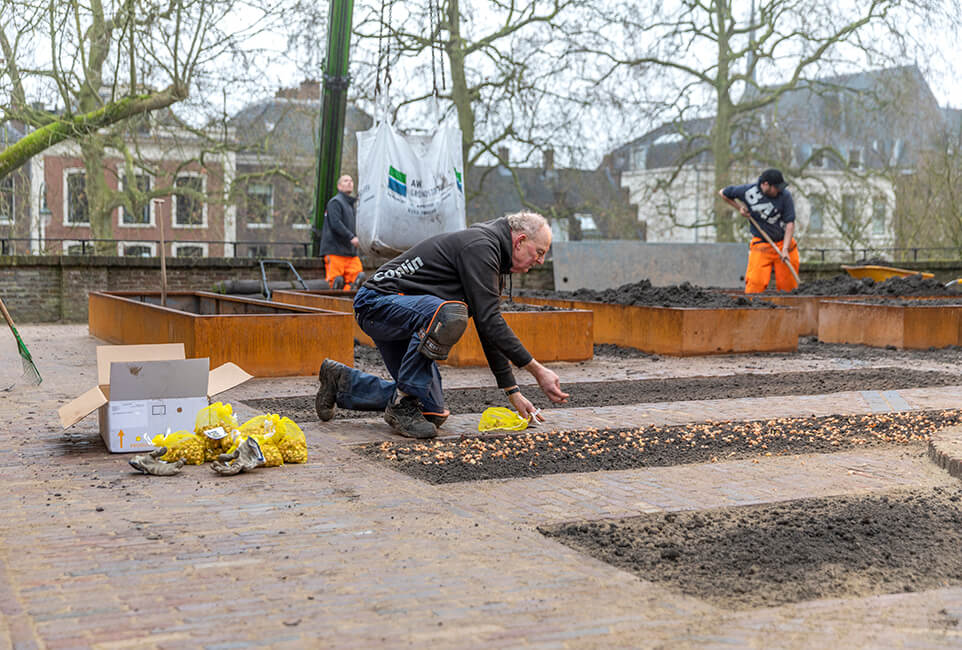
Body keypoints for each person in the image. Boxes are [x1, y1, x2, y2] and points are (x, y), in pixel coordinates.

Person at [314, 211, 570, 439]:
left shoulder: (492, 260)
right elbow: (491, 322)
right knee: (449, 314)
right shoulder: (481, 247)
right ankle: (402, 404)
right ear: (520, 240)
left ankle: (342, 383)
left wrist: (512, 391)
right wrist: (538, 371)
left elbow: (487, 327)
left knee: (432, 412)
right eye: (539, 253)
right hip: (377, 303)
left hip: (407, 317)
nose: (539, 262)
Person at [718, 168, 800, 293]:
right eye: (776, 187)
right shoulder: (747, 191)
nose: (779, 190)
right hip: (761, 245)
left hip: (784, 243)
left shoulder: (785, 196)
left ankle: (790, 309)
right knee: (755, 284)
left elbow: (790, 223)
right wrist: (739, 208)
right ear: (766, 185)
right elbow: (723, 193)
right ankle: (752, 310)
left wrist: (785, 249)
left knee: (788, 287)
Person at [319, 174, 365, 291]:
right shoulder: (335, 202)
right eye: (345, 181)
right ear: (339, 186)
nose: (349, 182)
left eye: (351, 180)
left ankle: (348, 306)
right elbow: (335, 223)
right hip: (335, 251)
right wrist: (352, 238)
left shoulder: (351, 206)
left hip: (350, 253)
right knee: (336, 282)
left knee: (358, 279)